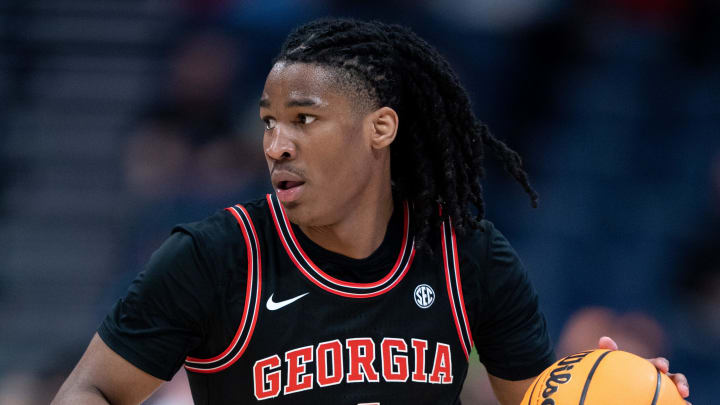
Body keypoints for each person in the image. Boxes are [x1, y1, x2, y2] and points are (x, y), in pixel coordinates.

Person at [52, 18, 690, 405]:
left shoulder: (471, 257)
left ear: (379, 130)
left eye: (305, 120)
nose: (276, 144)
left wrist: (617, 389)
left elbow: (531, 400)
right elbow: (92, 388)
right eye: (270, 123)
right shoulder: (216, 256)